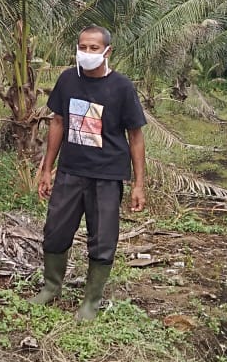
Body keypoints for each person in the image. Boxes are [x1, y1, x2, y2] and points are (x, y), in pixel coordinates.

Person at [30, 25, 147, 321]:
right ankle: (51, 286)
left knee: (103, 238)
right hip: (70, 172)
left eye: (94, 48)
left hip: (107, 175)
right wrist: (47, 168)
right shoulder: (68, 79)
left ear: (107, 51)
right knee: (55, 231)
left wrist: (138, 184)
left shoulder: (121, 87)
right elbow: (57, 122)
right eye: (83, 46)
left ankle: (91, 301)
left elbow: (135, 136)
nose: (87, 52)